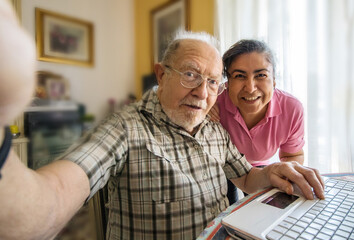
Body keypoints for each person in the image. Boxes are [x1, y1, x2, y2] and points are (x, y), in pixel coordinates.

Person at [0, 2, 324, 239]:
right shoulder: (126, 128)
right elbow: (51, 199)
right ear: (161, 74)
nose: (202, 92)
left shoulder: (214, 129)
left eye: (213, 82)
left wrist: (271, 171)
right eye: (190, 74)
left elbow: (246, 179)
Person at [210, 39, 305, 204]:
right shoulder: (212, 101)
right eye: (239, 76)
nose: (250, 87)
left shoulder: (292, 109)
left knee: (261, 209)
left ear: (274, 80)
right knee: (226, 211)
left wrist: (285, 174)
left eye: (261, 75)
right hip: (221, 167)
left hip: (260, 166)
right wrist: (202, 107)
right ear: (227, 82)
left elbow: (293, 155)